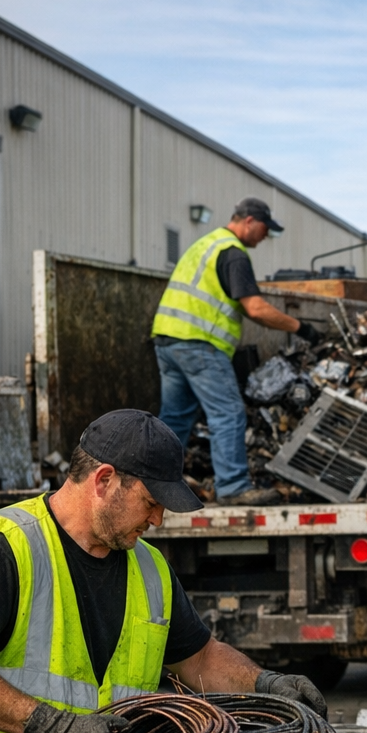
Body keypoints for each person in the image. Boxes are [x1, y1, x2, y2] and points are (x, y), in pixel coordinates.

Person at [0, 409, 328, 733]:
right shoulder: (1, 547)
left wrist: (265, 684)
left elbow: (200, 658)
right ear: (103, 480)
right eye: (151, 503)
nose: (157, 520)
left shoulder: (150, 568)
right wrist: (54, 729)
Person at [153, 197, 325, 507]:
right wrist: (301, 328)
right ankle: (232, 487)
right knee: (228, 413)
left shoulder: (205, 244)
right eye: (264, 228)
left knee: (174, 420)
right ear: (249, 221)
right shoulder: (233, 253)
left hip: (168, 339)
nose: (265, 235)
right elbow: (255, 309)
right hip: (200, 344)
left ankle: (152, 486)